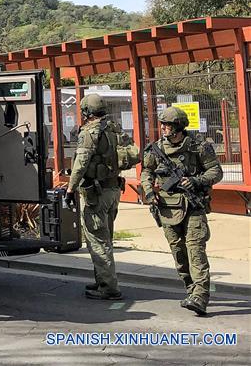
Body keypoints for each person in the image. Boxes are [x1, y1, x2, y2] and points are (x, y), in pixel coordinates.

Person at [140, 106, 222, 316]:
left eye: (168, 125)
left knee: (195, 250)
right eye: (163, 125)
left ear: (178, 127)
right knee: (179, 253)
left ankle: (200, 296)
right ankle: (191, 290)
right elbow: (146, 172)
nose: (164, 128)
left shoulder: (198, 147)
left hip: (193, 206)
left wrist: (196, 180)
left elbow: (216, 171)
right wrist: (150, 193)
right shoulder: (156, 149)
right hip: (168, 208)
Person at [65, 94, 122, 300]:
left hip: (96, 194)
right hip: (113, 190)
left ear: (86, 112)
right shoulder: (113, 129)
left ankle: (108, 287)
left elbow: (81, 162)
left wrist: (70, 188)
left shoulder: (90, 132)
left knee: (98, 240)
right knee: (105, 238)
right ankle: (102, 280)